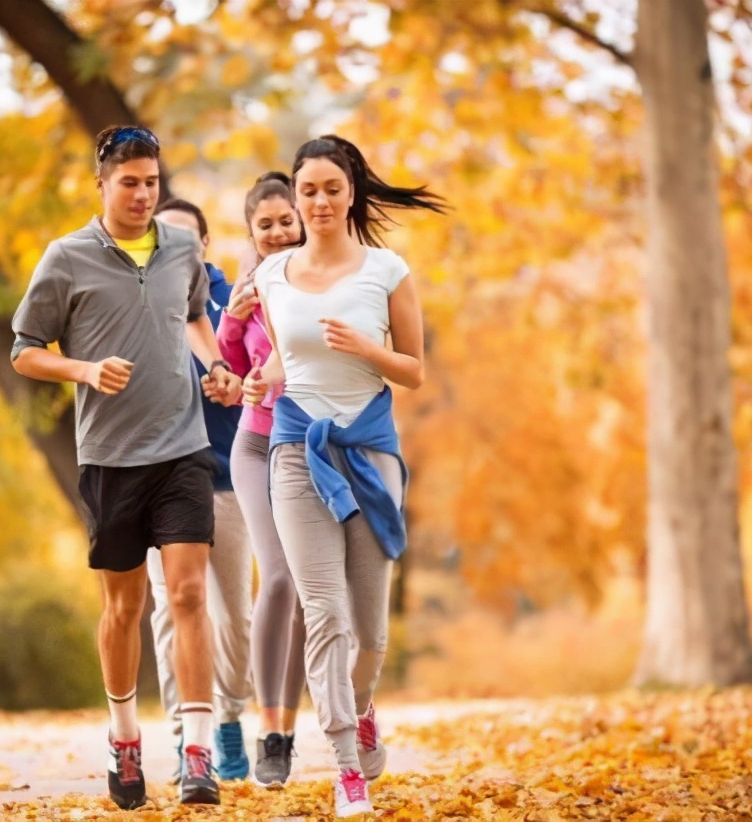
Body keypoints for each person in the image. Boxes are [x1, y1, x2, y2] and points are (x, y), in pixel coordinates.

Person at [10, 125, 242, 811]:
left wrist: (220, 368)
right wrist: (82, 369)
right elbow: (24, 350)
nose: (143, 195)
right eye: (130, 183)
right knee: (125, 607)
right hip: (110, 458)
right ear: (102, 184)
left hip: (182, 450)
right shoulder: (66, 258)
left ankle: (196, 753)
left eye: (152, 182)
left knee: (191, 594)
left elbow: (197, 318)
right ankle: (124, 739)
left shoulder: (180, 250)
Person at [243, 135, 446, 817]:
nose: (320, 201)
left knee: (370, 632)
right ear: (295, 199)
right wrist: (256, 379)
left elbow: (415, 370)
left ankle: (359, 708)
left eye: (332, 188)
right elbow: (286, 363)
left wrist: (368, 347)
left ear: (351, 191)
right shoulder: (272, 277)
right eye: (308, 191)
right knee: (323, 612)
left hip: (369, 453)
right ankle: (345, 763)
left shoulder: (386, 272)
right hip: (297, 450)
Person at [144, 197, 253, 783]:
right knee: (172, 611)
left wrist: (234, 382)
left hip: (229, 478)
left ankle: (231, 716)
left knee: (235, 617)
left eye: (188, 238)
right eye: (166, 238)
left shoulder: (235, 301)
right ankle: (190, 735)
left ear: (205, 246)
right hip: (160, 477)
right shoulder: (142, 299)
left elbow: (261, 369)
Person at [216, 172, 308, 786]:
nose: (277, 232)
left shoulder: (324, 274)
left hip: (309, 443)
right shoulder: (247, 282)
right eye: (265, 224)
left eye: (285, 221)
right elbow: (233, 361)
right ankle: (268, 733)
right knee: (275, 575)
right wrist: (233, 314)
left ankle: (288, 729)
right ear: (252, 231)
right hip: (254, 442)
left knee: (305, 588)